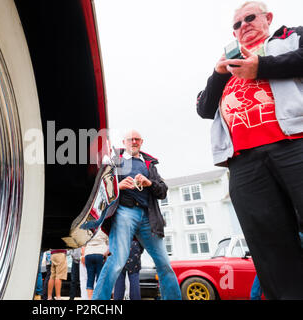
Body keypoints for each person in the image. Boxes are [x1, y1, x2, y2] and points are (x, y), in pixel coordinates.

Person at [196, 1, 303, 299]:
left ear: (268, 18)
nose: (243, 26)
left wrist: (262, 67)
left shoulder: (291, 38)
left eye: (249, 18)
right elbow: (204, 108)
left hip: (294, 144)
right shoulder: (228, 65)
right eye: (236, 24)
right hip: (244, 162)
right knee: (270, 249)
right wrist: (219, 73)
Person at [92, 130, 181, 300]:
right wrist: (119, 186)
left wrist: (149, 183)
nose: (133, 141)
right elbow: (101, 187)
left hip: (148, 216)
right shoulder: (114, 161)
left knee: (164, 263)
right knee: (117, 261)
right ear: (123, 142)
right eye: (130, 139)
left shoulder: (149, 164)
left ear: (141, 142)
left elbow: (163, 191)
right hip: (125, 212)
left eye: (137, 139)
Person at [84, 228, 109, 300]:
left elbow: (83, 241)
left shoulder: (88, 229)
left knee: (90, 278)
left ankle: (90, 298)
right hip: (100, 253)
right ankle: (98, 298)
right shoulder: (103, 228)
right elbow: (108, 241)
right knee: (100, 278)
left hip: (88, 253)